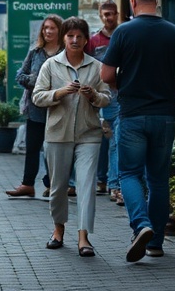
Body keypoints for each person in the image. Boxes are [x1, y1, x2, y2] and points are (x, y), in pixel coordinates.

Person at [101, 0, 175, 262]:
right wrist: (169, 87)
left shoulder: (123, 32)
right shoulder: (174, 32)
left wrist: (124, 84)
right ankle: (155, 242)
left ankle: (141, 224)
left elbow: (106, 75)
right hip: (164, 115)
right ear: (156, 2)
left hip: (132, 114)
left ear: (132, 2)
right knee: (158, 179)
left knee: (129, 174)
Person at [32, 17, 111, 257]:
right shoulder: (51, 65)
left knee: (86, 186)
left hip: (89, 134)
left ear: (86, 40)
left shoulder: (96, 66)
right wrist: (59, 93)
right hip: (58, 134)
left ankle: (83, 237)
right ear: (63, 38)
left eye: (79, 36)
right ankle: (58, 230)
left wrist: (94, 95)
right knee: (58, 187)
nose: (75, 40)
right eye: (70, 36)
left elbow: (107, 98)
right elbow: (37, 96)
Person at [6, 15, 64, 198]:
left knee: (53, 149)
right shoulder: (35, 52)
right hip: (36, 108)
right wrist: (35, 81)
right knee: (32, 148)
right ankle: (27, 184)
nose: (48, 31)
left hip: (58, 108)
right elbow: (19, 75)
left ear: (60, 30)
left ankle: (53, 184)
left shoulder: (64, 53)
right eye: (45, 28)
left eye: (52, 28)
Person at [85, 0, 121, 202]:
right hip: (98, 94)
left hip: (117, 95)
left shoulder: (123, 35)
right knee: (101, 139)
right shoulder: (94, 41)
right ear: (100, 16)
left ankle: (114, 184)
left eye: (111, 14)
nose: (108, 18)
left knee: (113, 139)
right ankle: (102, 179)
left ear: (117, 14)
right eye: (105, 14)